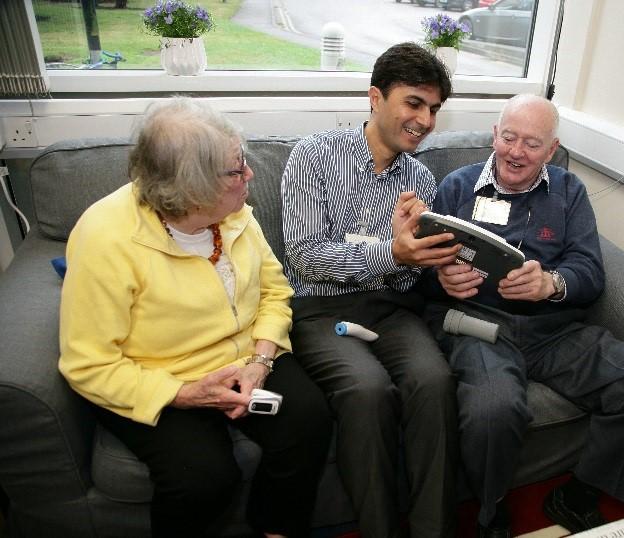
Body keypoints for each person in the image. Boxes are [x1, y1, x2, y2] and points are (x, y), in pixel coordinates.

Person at [58, 98, 332, 538]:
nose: (250, 176)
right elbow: (88, 365)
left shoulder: (234, 211)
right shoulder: (105, 238)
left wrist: (261, 361)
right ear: (192, 188)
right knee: (203, 479)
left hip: (245, 358)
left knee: (308, 421)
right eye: (235, 170)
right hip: (157, 375)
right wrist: (185, 394)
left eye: (242, 161)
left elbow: (276, 291)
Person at [422, 94, 624, 537]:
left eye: (531, 143)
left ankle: (579, 492)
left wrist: (551, 283)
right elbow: (420, 274)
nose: (516, 152)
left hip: (553, 329)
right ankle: (492, 510)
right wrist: (442, 279)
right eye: (508, 138)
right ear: (494, 135)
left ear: (551, 148)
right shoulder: (457, 187)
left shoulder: (568, 191)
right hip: (480, 325)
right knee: (492, 409)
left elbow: (590, 271)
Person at [281, 42, 460, 538]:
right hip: (320, 309)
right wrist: (393, 251)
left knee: (434, 381)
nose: (425, 120)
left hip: (391, 309)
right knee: (368, 390)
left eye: (434, 109)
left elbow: (406, 280)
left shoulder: (420, 177)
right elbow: (305, 255)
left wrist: (420, 255)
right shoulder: (313, 156)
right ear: (375, 98)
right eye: (414, 103)